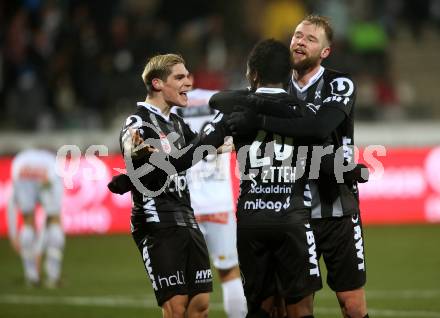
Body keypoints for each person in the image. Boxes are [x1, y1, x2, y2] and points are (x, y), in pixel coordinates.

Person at [222, 15, 370, 318]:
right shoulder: (276, 86)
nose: (300, 41)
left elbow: (320, 127)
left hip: (335, 207)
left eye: (311, 39)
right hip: (288, 209)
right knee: (290, 305)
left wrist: (260, 119)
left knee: (351, 302)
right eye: (297, 35)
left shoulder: (338, 83)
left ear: (325, 52)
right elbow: (225, 100)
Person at [117, 53, 229, 318]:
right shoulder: (138, 121)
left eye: (188, 76)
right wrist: (136, 150)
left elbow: (209, 149)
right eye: (179, 77)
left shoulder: (178, 123)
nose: (188, 83)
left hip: (187, 217)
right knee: (176, 307)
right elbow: (131, 146)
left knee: (200, 304)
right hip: (157, 220)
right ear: (157, 84)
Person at [179, 89, 247, 318]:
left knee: (189, 279)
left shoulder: (173, 107)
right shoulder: (219, 100)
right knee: (229, 272)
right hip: (219, 203)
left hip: (186, 206)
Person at [8, 148, 65, 288]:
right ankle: (53, 277)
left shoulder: (19, 160)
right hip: (47, 171)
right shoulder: (53, 166)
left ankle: (32, 276)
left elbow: (11, 206)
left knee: (28, 223)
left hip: (21, 168)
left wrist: (13, 234)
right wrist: (39, 252)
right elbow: (48, 216)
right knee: (54, 223)